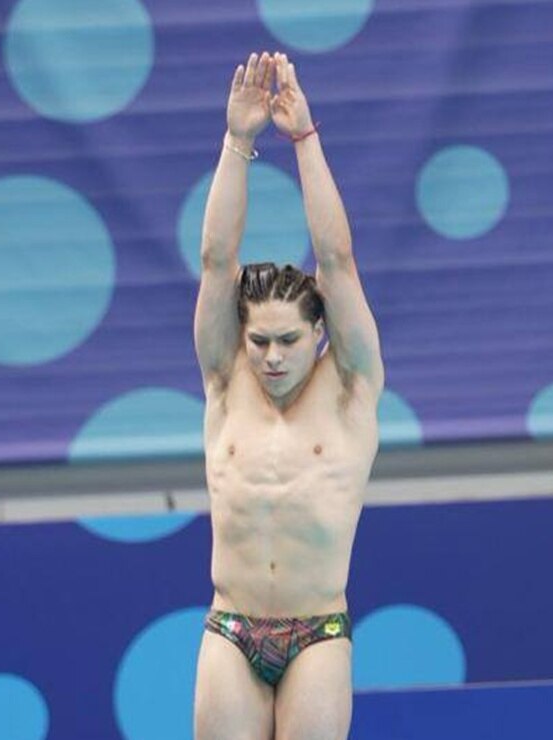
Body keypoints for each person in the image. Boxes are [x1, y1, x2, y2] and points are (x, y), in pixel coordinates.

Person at [191, 50, 384, 740]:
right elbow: (216, 261)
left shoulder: (351, 385)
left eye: (288, 341)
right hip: (230, 627)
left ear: (319, 334)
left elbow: (337, 261)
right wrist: (236, 141)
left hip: (316, 632)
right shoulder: (225, 377)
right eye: (259, 341)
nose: (271, 358)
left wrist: (302, 138)